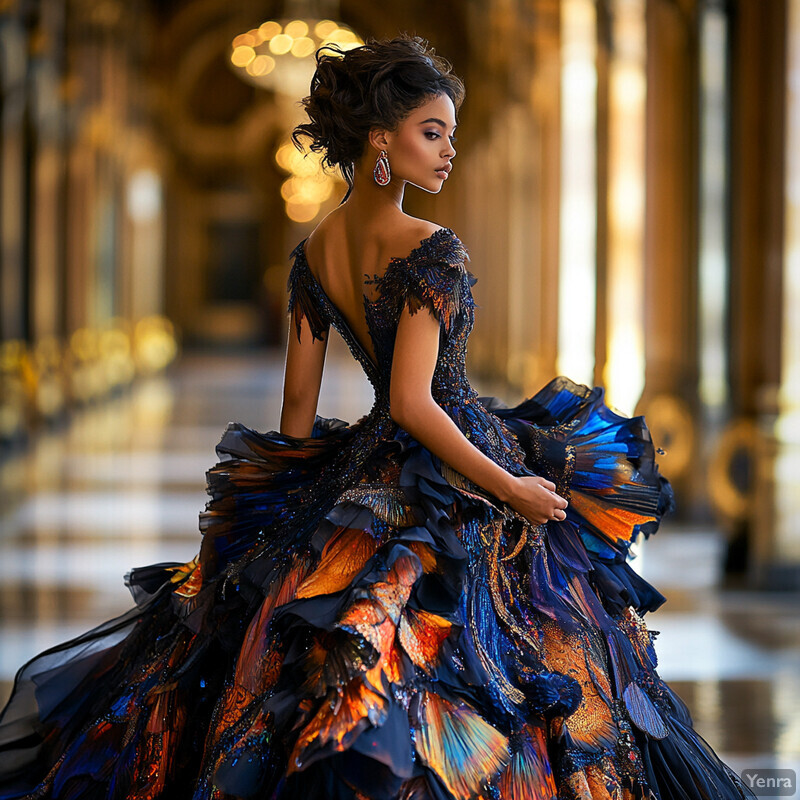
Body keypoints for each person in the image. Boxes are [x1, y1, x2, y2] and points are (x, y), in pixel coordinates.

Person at [0, 33, 755, 800]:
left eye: (453, 136)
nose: (449, 151)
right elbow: (412, 402)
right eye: (433, 133)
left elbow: (297, 414)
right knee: (510, 664)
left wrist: (291, 519)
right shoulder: (433, 251)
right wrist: (515, 489)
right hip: (452, 468)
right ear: (380, 139)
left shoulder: (312, 252)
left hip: (362, 470)